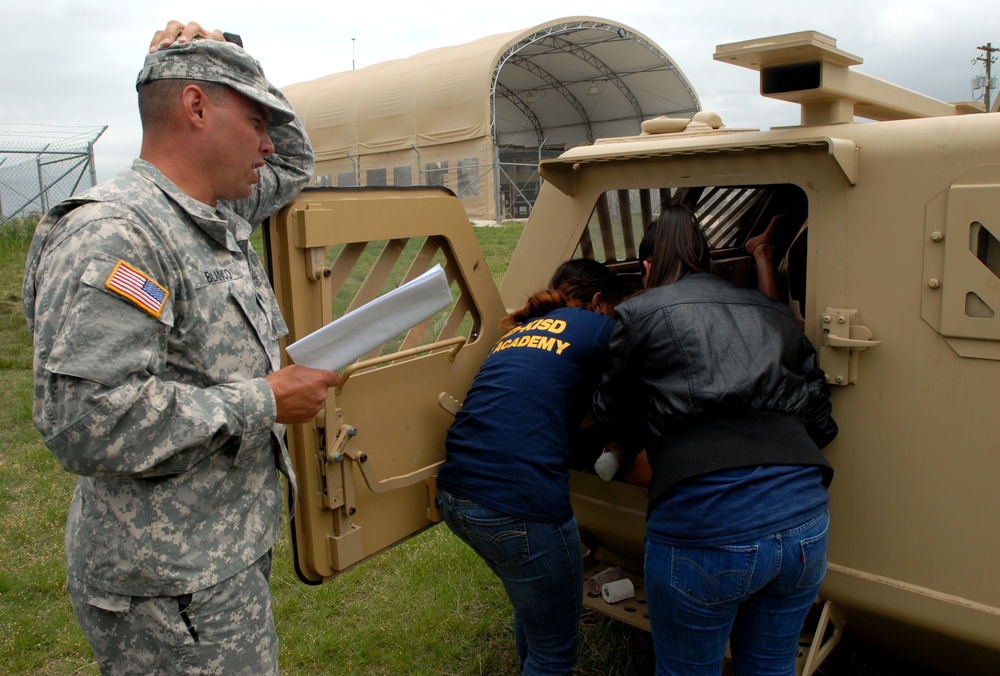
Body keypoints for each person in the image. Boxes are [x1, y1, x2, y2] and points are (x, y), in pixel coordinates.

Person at [22, 22, 340, 675]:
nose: (266, 140)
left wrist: (231, 47)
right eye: (256, 119)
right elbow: (85, 423)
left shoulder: (215, 213)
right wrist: (264, 401)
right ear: (196, 108)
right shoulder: (119, 234)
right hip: (166, 586)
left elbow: (295, 161)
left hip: (215, 556)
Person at [593, 204, 838, 675]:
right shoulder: (770, 309)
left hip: (707, 521)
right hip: (804, 518)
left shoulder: (639, 311)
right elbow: (822, 420)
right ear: (707, 262)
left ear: (647, 268)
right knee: (771, 667)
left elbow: (610, 411)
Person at [435, 259, 626, 675]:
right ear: (598, 302)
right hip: (519, 505)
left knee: (537, 603)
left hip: (456, 495)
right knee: (555, 654)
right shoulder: (594, 324)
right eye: (614, 306)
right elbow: (649, 352)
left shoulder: (522, 330)